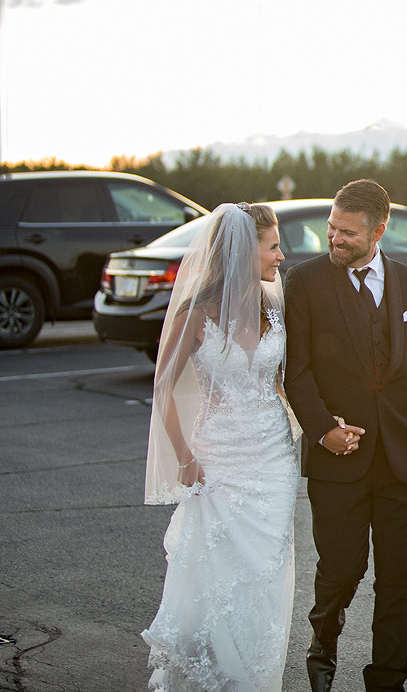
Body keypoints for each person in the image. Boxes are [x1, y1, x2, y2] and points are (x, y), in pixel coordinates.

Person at [283, 179, 407, 692]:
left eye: (347, 233)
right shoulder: (305, 283)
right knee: (341, 570)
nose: (334, 239)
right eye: (331, 229)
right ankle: (323, 649)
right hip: (339, 459)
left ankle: (387, 680)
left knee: (401, 579)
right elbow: (296, 371)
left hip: (405, 457)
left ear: (379, 230)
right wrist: (322, 431)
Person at [141, 202, 300, 690]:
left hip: (274, 459)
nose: (281, 256)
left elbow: (284, 381)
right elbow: (163, 387)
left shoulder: (273, 306)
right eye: (272, 246)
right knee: (217, 575)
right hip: (217, 462)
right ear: (241, 250)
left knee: (267, 575)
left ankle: (258, 677)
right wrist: (184, 456)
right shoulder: (196, 312)